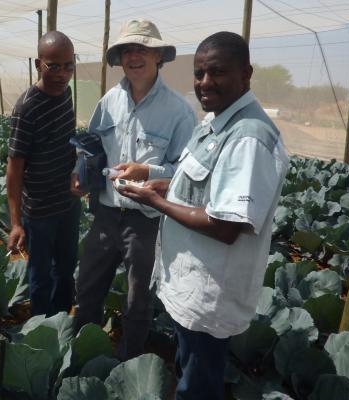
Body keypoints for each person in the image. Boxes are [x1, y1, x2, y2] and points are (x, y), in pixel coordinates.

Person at [119, 31, 289, 400]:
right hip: (189, 289)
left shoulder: (249, 137)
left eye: (218, 73)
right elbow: (197, 188)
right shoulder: (216, 123)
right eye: (199, 74)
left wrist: (157, 202)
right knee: (188, 370)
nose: (205, 83)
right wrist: (159, 185)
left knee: (198, 385)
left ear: (246, 74)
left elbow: (227, 225)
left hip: (210, 295)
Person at [72, 19, 196, 361]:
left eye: (142, 49)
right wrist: (81, 173)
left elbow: (185, 174)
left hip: (146, 219)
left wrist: (147, 171)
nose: (134, 56)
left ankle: (128, 362)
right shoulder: (109, 101)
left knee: (138, 296)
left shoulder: (179, 112)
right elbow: (91, 150)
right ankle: (82, 355)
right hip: (106, 213)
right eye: (127, 50)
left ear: (158, 56)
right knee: (87, 287)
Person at [6, 31, 81, 317]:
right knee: (40, 277)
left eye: (69, 66)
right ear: (38, 64)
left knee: (65, 271)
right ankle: (41, 330)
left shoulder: (67, 95)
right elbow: (14, 169)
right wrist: (16, 223)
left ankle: (61, 323)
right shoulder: (27, 109)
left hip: (68, 204)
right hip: (39, 212)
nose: (63, 74)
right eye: (54, 66)